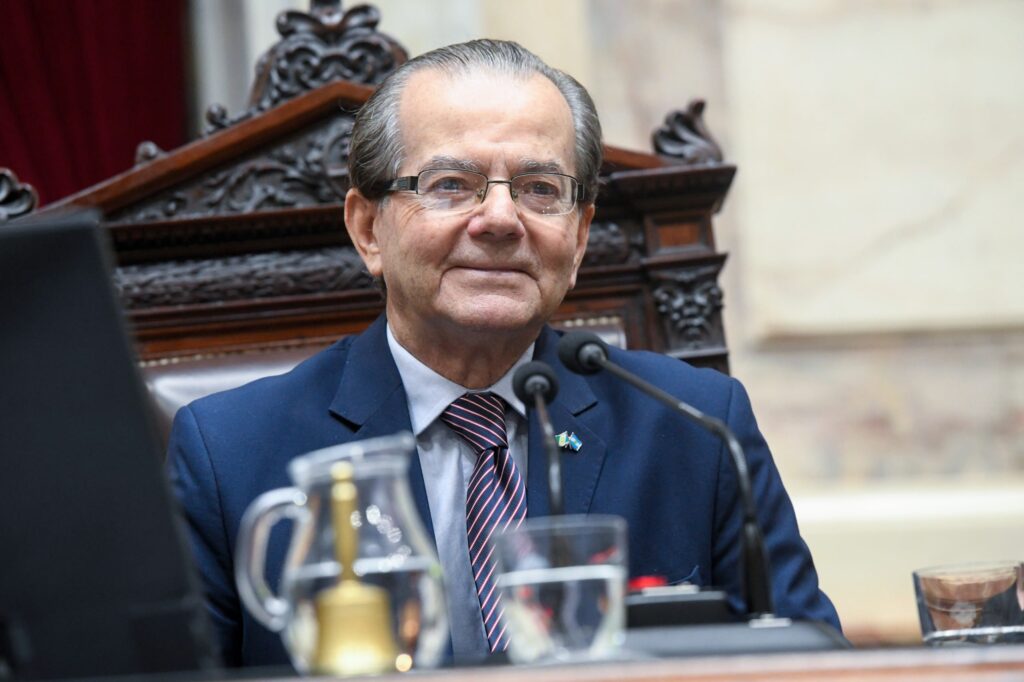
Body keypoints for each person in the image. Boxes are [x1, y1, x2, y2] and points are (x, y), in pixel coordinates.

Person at [167, 38, 840, 668]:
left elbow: (811, 666)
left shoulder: (696, 426)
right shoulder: (230, 455)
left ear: (578, 238)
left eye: (540, 190)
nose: (498, 220)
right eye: (450, 184)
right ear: (369, 229)